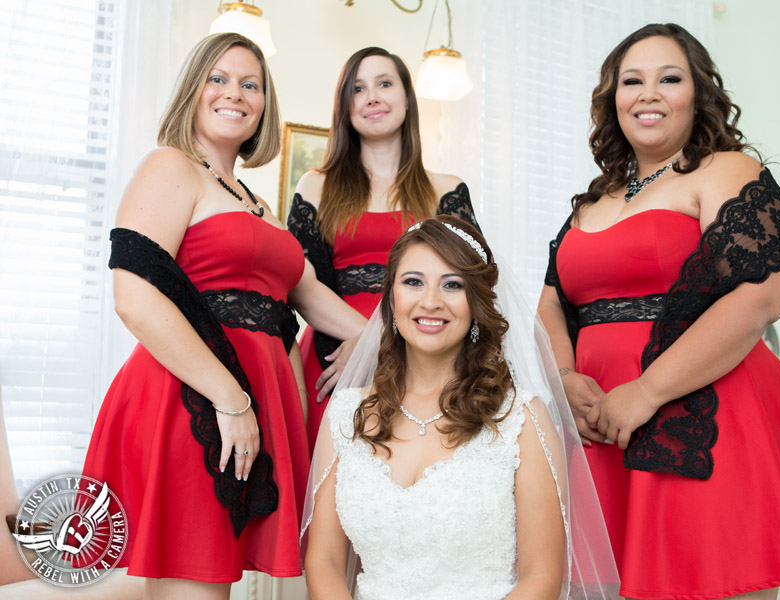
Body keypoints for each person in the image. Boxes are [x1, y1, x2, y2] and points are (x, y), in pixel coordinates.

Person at [538, 23, 780, 600]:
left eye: (669, 78)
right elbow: (552, 300)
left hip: (703, 412)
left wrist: (648, 391)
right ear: (613, 100)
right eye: (632, 81)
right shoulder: (594, 199)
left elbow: (760, 297)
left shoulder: (728, 171)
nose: (648, 93)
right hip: (597, 424)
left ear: (698, 93)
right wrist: (563, 378)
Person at [80, 33, 366, 599]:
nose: (234, 93)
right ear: (193, 89)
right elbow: (133, 297)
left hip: (245, 404)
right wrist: (231, 399)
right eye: (219, 78)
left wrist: (392, 335)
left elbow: (310, 298)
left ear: (264, 104)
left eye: (250, 83)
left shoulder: (253, 202)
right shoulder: (171, 168)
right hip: (188, 401)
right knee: (196, 587)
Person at [302, 216, 619, 600]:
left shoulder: (522, 418)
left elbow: (542, 578)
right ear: (391, 298)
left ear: (476, 303)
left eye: (452, 285)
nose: (430, 301)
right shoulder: (346, 415)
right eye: (413, 281)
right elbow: (325, 564)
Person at [287, 47, 480, 453]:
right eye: (358, 88)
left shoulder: (447, 189)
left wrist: (388, 341)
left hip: (426, 359)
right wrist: (369, 337)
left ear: (408, 99)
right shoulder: (314, 186)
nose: (372, 97)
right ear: (346, 107)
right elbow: (298, 283)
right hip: (334, 360)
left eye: (385, 84)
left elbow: (472, 290)